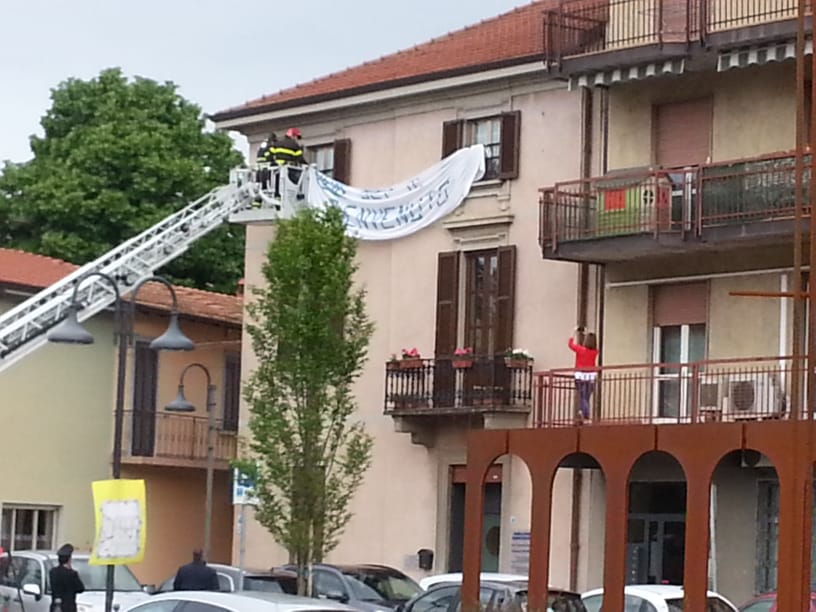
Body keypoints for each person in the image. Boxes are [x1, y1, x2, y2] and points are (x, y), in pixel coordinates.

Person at [568, 325, 599, 422]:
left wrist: (574, 332)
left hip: (580, 376)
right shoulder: (595, 352)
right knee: (586, 397)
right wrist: (587, 333)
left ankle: (585, 414)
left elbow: (570, 344)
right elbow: (591, 343)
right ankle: (583, 412)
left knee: (582, 396)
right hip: (591, 377)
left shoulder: (580, 350)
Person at [49, 544, 85, 612]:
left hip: (56, 607)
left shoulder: (52, 572)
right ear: (69, 559)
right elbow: (81, 588)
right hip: (69, 608)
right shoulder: (72, 573)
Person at [272, 127, 306, 198]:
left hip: (276, 169)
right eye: (297, 137)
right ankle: (297, 193)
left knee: (277, 187)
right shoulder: (294, 145)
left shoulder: (277, 143)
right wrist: (307, 165)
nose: (297, 139)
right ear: (293, 136)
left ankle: (277, 195)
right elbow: (300, 158)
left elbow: (271, 155)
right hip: (288, 170)